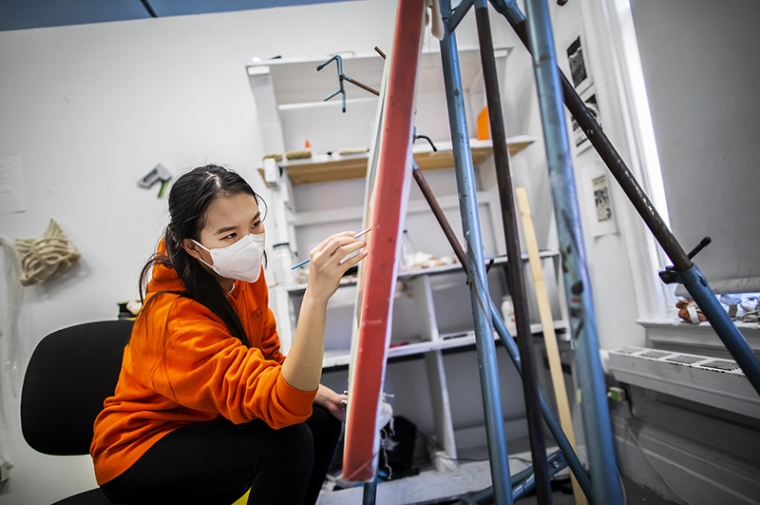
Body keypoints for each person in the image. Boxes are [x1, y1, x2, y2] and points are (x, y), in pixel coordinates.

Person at [90, 164, 368, 505]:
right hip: (140, 450)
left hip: (204, 425)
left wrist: (323, 395)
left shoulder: (241, 275)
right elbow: (285, 406)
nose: (250, 243)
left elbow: (267, 360)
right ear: (192, 247)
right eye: (229, 235)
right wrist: (316, 297)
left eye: (255, 223)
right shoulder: (174, 320)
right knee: (288, 440)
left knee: (322, 419)